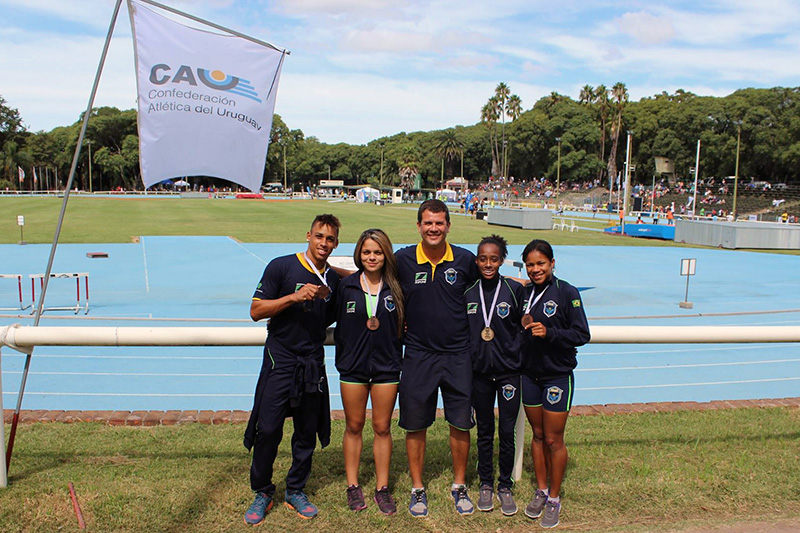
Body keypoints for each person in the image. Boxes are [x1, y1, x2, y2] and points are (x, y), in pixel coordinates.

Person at [243, 214, 341, 525]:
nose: (323, 243)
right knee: (268, 428)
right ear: (308, 235)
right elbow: (256, 311)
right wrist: (292, 297)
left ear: (336, 243)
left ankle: (296, 489)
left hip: (312, 361)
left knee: (305, 432)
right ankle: (262, 490)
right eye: (319, 236)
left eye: (330, 239)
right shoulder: (281, 266)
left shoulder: (334, 281)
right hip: (280, 359)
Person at [395, 199, 480, 517]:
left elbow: (487, 288)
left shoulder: (465, 260)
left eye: (439, 223)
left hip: (459, 355)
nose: (433, 228)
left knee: (460, 423)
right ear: (418, 225)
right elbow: (371, 276)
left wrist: (522, 284)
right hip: (417, 355)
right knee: (415, 425)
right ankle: (418, 489)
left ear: (448, 225)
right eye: (428, 223)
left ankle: (459, 485)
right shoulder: (402, 260)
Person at [334, 229, 405, 515]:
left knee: (382, 427)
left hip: (387, 367)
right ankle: (353, 486)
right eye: (366, 252)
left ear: (385, 254)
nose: (372, 257)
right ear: (358, 255)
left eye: (377, 252)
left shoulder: (397, 288)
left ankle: (382, 487)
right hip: (353, 367)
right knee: (353, 426)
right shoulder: (346, 286)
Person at [520, 239, 590, 529]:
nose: (536, 269)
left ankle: (554, 498)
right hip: (528, 374)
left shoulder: (567, 293)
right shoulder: (523, 293)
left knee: (553, 439)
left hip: (557, 375)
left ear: (552, 263)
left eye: (541, 263)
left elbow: (581, 334)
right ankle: (540, 490)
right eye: (530, 265)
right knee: (537, 435)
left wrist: (550, 333)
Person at [465, 235, 526, 516]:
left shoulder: (515, 290)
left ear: (502, 260)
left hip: (508, 374)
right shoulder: (467, 291)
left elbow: (527, 320)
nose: (488, 264)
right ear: (476, 260)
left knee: (507, 430)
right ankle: (486, 483)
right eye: (482, 258)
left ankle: (505, 485)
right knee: (485, 430)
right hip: (479, 374)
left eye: (493, 258)